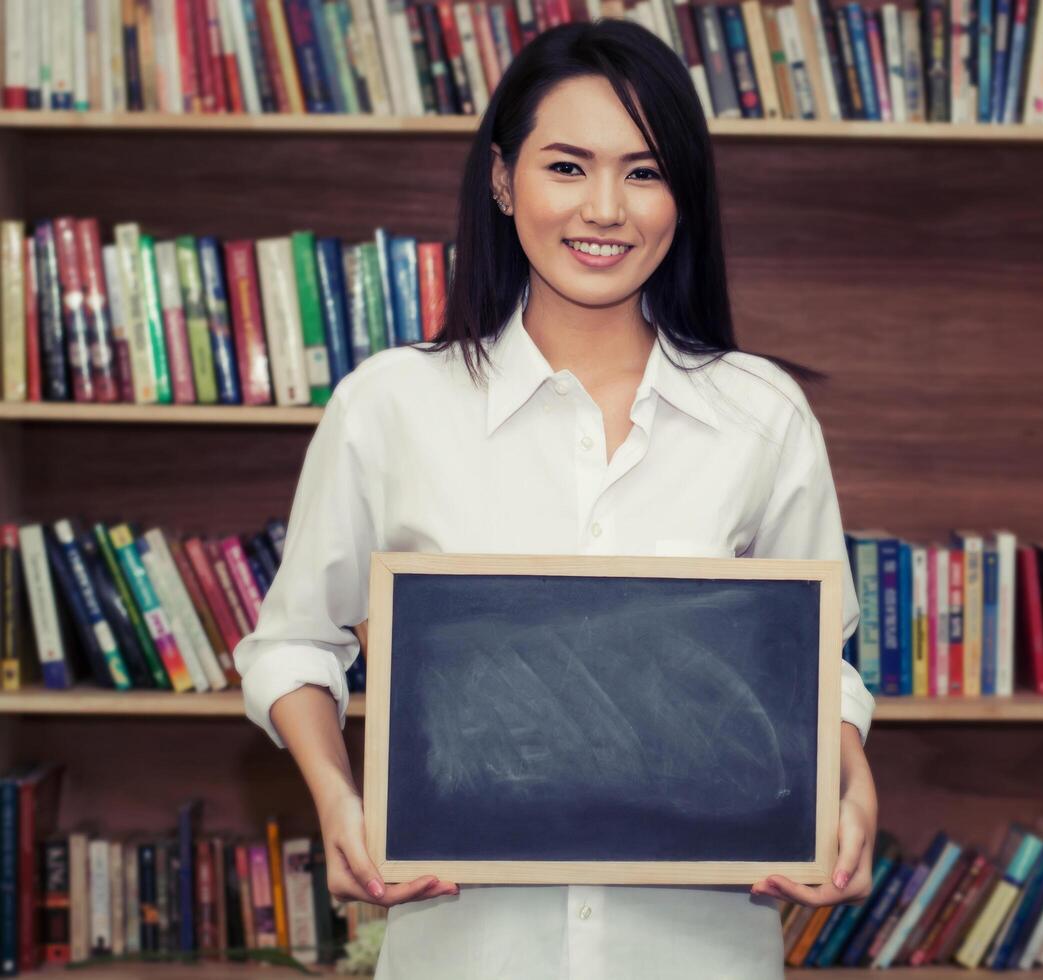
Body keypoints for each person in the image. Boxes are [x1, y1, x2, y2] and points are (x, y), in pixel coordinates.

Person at [233, 18, 878, 980]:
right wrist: (340, 804)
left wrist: (853, 785)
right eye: (568, 167)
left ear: (682, 197)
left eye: (646, 172)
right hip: (462, 948)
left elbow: (811, 663)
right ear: (504, 180)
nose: (606, 209)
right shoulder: (391, 404)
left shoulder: (762, 412)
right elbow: (292, 645)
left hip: (700, 953)